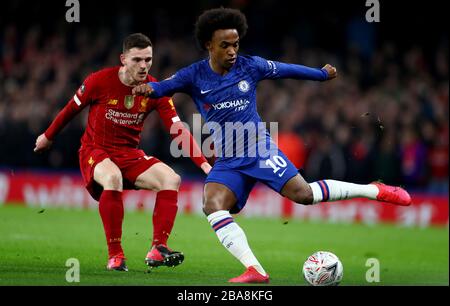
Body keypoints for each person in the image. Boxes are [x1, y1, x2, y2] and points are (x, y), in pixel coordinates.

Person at [132, 8, 412, 283]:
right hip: (228, 160)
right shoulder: (193, 75)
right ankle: (255, 270)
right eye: (225, 45)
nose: (232, 51)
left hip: (258, 149)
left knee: (304, 195)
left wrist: (321, 74)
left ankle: (374, 189)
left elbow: (286, 70)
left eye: (236, 44)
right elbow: (162, 88)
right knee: (212, 204)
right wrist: (148, 88)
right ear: (209, 45)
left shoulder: (249, 66)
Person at [34, 33, 211, 272]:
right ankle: (115, 255)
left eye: (148, 59)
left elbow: (178, 130)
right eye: (137, 59)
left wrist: (205, 165)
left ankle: (158, 248)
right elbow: (70, 110)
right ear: (123, 59)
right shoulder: (99, 81)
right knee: (113, 177)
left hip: (128, 153)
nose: (144, 65)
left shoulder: (155, 89)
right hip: (95, 150)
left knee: (171, 179)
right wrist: (48, 136)